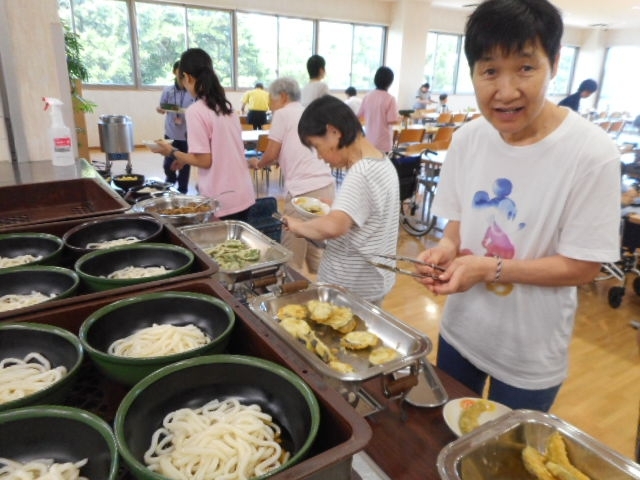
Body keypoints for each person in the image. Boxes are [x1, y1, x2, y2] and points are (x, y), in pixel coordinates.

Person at [414, 0, 620, 412]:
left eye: (525, 67)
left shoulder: (592, 153)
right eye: (490, 70)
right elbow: (458, 224)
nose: (506, 91)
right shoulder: (468, 139)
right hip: (460, 333)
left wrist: (490, 268)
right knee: (445, 443)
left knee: (503, 463)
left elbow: (584, 266)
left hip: (530, 356)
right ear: (472, 73)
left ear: (555, 63)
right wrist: (447, 250)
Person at [284, 95, 400, 304]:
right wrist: (337, 207)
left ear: (334, 132)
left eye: (317, 146)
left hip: (349, 287)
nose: (319, 156)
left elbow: (334, 227)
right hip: (372, 281)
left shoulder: (361, 172)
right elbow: (369, 215)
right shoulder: (382, 162)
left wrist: (297, 226)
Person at [154, 48, 256, 221]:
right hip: (243, 193)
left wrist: (170, 152)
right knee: (236, 246)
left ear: (187, 77)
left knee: (221, 247)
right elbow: (224, 151)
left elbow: (204, 161)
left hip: (222, 199)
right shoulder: (226, 107)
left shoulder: (196, 110)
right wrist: (184, 158)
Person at [248, 77, 336, 274]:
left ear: (284, 96)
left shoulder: (282, 114)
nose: (270, 105)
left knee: (290, 255)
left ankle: (291, 299)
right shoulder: (309, 112)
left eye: (271, 99)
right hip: (325, 187)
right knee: (316, 248)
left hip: (303, 192)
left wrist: (257, 163)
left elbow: (271, 154)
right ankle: (323, 292)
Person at [156, 61, 194, 194]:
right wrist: (161, 109)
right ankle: (170, 183)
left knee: (185, 163)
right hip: (171, 131)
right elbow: (162, 107)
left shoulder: (191, 91)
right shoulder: (168, 90)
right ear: (174, 72)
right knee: (168, 163)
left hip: (187, 133)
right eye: (179, 72)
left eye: (185, 73)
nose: (182, 75)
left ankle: (182, 190)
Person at [357, 66, 400, 153]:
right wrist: (400, 119)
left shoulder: (367, 96)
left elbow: (359, 116)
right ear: (390, 82)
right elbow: (392, 120)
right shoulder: (390, 99)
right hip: (383, 142)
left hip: (369, 140)